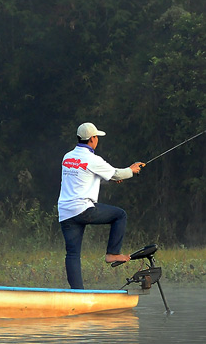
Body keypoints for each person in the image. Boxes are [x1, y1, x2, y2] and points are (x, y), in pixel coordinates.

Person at [58, 122, 145, 289]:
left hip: (65, 212)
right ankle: (112, 254)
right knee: (120, 215)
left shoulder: (67, 157)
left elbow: (85, 177)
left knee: (72, 254)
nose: (97, 140)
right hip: (83, 209)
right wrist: (132, 169)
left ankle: (77, 293)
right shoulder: (92, 158)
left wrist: (111, 178)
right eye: (96, 137)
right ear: (92, 139)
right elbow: (118, 173)